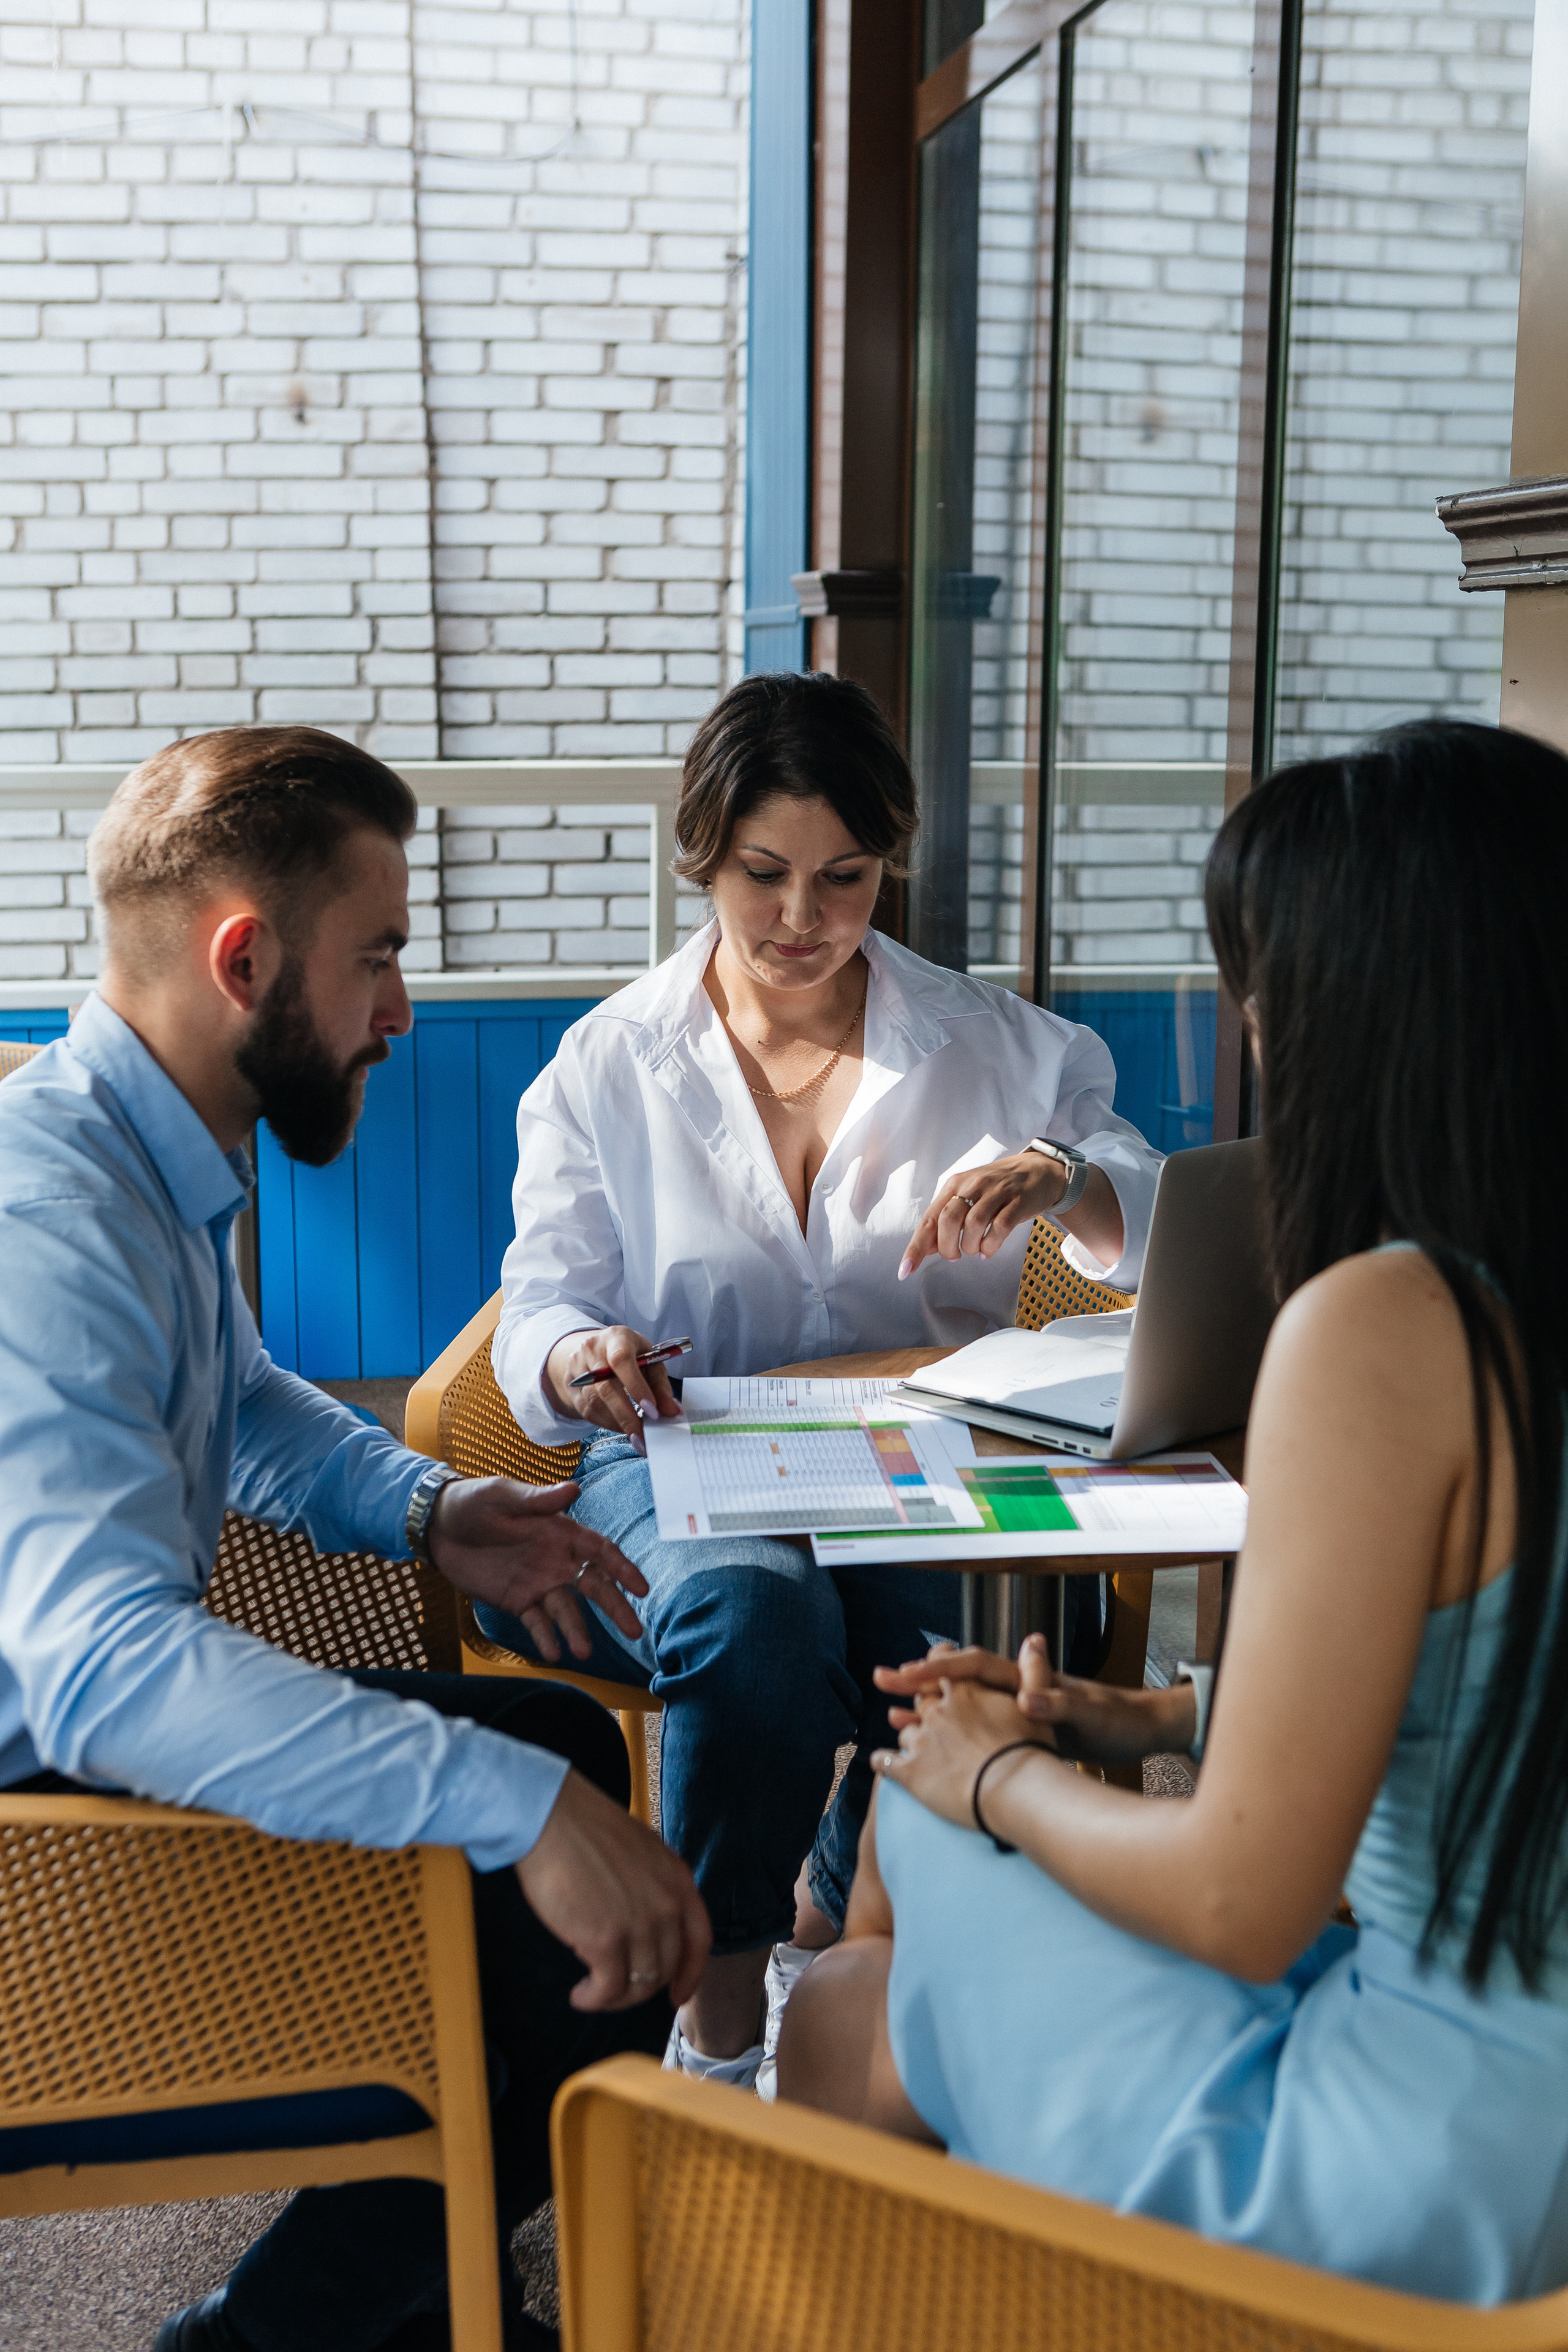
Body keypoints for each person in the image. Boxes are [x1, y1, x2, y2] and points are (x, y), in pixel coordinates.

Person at [777, 717, 1568, 2305]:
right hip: (1533, 2127)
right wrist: (1152, 1713)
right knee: (917, 1880)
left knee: (900, 1857)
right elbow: (1504, 1692)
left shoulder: (1389, 1328)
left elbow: (1240, 1897)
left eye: (1260, 978)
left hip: (1418, 2186)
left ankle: (823, 2244)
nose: (1250, 1020)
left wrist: (998, 1775)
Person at [0, 725, 710, 2352]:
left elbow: (238, 1401)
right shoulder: (48, 1223)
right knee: (553, 1862)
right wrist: (513, 1808)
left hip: (74, 1788)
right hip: (40, 1879)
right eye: (379, 954)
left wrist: (431, 1509)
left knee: (554, 1757)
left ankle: (380, 2299)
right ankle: (287, 2333)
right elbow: (104, 1668)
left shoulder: (141, 1156)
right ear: (245, 957)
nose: (398, 1006)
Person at [485, 671, 1162, 2092]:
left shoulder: (1003, 1047)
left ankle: (845, 1915)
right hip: (676, 1453)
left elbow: (1156, 1243)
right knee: (750, 1611)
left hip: (917, 1456)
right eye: (763, 876)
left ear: (888, 859)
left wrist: (1070, 1178)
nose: (802, 919)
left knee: (986, 1615)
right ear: (702, 858)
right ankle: (723, 2019)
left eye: (843, 878)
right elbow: (541, 1295)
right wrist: (571, 1356)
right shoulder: (606, 1062)